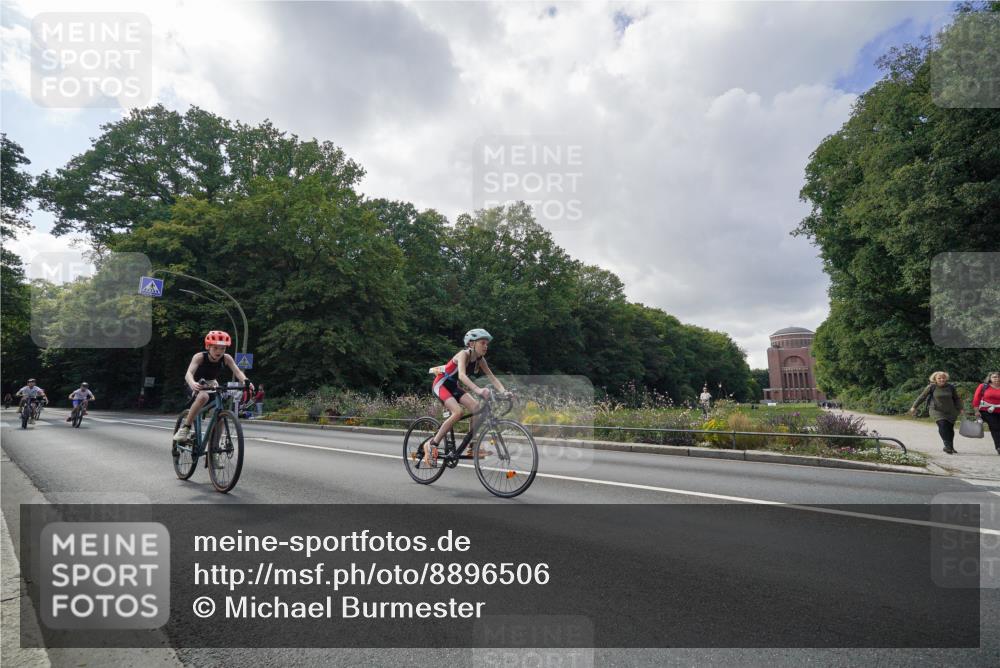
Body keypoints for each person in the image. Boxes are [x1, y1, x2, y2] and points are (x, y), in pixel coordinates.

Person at [423, 329, 509, 467]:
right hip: (441, 385)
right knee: (458, 412)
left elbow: (492, 378)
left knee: (476, 407)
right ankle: (432, 444)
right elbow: (462, 376)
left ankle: (473, 446)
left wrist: (505, 392)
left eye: (487, 344)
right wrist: (478, 390)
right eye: (482, 343)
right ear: (471, 344)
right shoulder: (463, 354)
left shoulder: (480, 360)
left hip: (453, 387)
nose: (486, 346)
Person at [172, 330, 250, 443]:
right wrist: (193, 384)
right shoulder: (199, 357)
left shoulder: (227, 358)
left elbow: (238, 372)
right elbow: (188, 374)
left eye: (223, 348)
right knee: (203, 396)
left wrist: (246, 381)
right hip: (195, 384)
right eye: (215, 348)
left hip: (212, 385)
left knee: (220, 418)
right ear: (208, 347)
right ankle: (186, 428)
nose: (219, 351)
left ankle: (214, 449)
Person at [909, 371, 963, 454]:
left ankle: (951, 447)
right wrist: (914, 406)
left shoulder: (950, 387)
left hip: (951, 411)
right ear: (935, 379)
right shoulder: (932, 387)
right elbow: (922, 397)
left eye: (943, 378)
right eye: (939, 378)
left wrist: (960, 408)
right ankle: (947, 446)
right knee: (943, 425)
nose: (941, 379)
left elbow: (956, 398)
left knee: (949, 429)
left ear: (946, 378)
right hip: (936, 410)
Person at [972, 371, 1000, 455]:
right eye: (994, 377)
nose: (997, 378)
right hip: (987, 411)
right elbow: (976, 398)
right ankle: (999, 447)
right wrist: (976, 411)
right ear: (990, 378)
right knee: (996, 427)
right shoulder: (983, 386)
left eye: (998, 377)